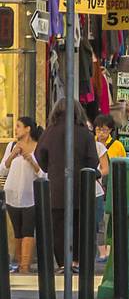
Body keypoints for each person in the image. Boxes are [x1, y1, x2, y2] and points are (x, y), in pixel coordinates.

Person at [36, 99, 100, 271]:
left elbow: (39, 154)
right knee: (79, 226)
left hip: (56, 188)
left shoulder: (49, 132)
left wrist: (50, 168)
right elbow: (93, 160)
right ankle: (77, 261)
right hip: (80, 189)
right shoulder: (85, 133)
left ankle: (63, 262)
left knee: (58, 227)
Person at [1, 118, 43, 274]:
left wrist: (30, 160)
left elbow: (43, 174)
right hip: (12, 193)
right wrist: (12, 155)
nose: (16, 129)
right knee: (17, 230)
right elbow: (2, 170)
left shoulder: (38, 148)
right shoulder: (12, 145)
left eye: (18, 126)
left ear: (28, 129)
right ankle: (18, 263)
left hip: (30, 195)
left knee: (27, 229)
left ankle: (25, 265)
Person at [92, 114, 125, 262]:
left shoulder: (117, 146)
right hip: (95, 186)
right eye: (98, 130)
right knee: (98, 220)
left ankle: (108, 251)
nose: (101, 134)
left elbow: (122, 165)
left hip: (111, 185)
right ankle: (101, 252)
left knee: (108, 219)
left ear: (110, 130)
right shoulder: (91, 144)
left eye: (104, 130)